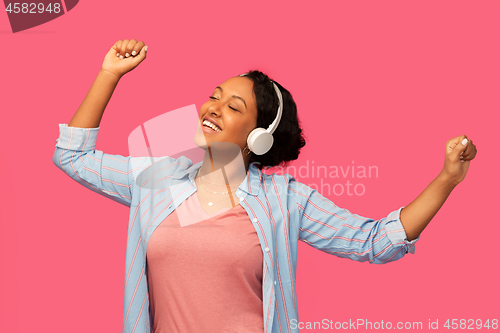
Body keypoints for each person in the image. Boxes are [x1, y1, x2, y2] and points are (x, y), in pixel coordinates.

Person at [52, 39, 478, 333]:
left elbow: (376, 242)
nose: (213, 107)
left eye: (233, 106)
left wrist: (446, 180)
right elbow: (73, 157)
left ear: (259, 137)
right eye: (214, 96)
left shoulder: (286, 200)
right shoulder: (156, 180)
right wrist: (110, 74)